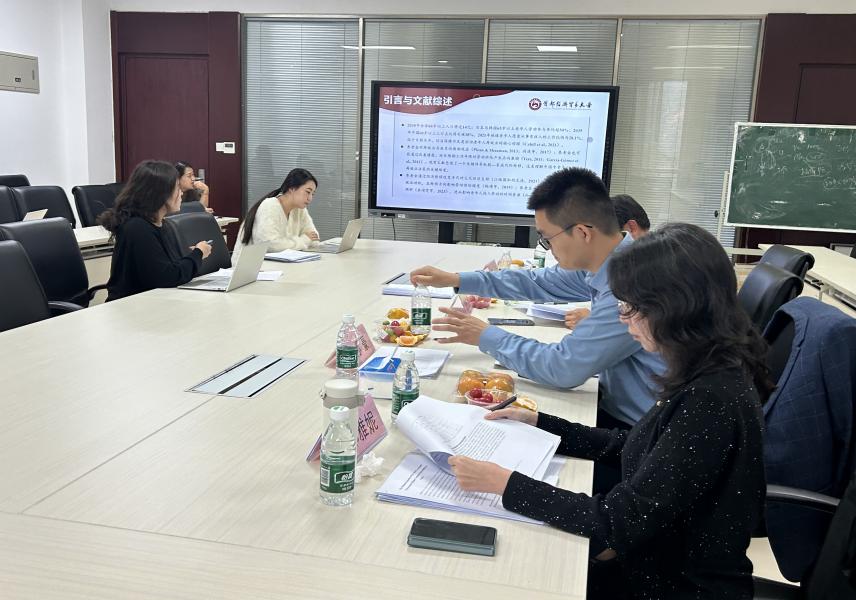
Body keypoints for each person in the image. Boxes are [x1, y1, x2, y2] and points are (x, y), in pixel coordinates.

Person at [449, 223, 771, 599]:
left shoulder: (710, 399)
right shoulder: (705, 368)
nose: (623, 318)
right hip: (653, 558)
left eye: (631, 308)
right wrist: (540, 422)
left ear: (676, 308)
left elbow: (618, 522)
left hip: (670, 584)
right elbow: (637, 446)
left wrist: (505, 484)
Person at [411, 168, 665, 432]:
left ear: (583, 233)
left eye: (547, 238)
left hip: (635, 431)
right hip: (620, 409)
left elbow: (563, 368)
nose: (546, 247)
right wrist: (456, 279)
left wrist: (485, 335)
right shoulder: (617, 261)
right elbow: (536, 281)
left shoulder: (631, 286)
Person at [99, 160, 212, 301]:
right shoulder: (137, 228)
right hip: (130, 305)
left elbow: (165, 266)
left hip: (153, 300)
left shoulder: (161, 224)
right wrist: (198, 254)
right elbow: (167, 277)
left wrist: (187, 254)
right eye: (177, 188)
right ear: (161, 194)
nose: (181, 193)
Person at [564, 194, 651, 329]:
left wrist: (595, 321)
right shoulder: (608, 263)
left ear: (631, 228)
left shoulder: (648, 267)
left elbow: (642, 322)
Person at [232, 168, 320, 265]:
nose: (310, 198)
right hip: (250, 268)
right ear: (292, 189)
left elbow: (314, 238)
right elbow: (270, 245)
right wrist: (304, 240)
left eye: (313, 194)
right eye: (307, 192)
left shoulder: (300, 209)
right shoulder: (270, 206)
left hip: (280, 265)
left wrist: (303, 241)